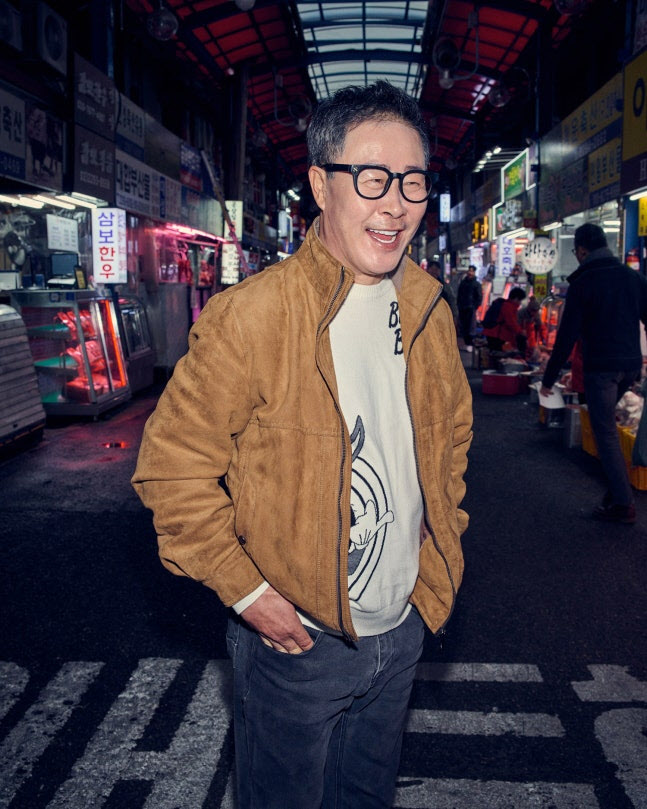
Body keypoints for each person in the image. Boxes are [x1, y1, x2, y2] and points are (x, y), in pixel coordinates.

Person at [132, 80, 473, 809]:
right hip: (297, 641)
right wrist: (250, 593)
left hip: (401, 626)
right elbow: (171, 471)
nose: (395, 203)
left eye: (412, 180)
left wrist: (436, 534)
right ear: (321, 185)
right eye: (372, 177)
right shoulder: (252, 317)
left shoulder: (428, 307)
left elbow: (451, 436)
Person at [541, 222, 647, 524]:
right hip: (630, 366)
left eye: (576, 252)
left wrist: (549, 379)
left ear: (582, 250)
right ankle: (615, 493)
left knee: (606, 433)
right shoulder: (632, 277)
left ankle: (623, 504)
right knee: (607, 426)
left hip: (602, 368)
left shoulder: (583, 282)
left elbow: (567, 335)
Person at [482, 287, 527, 352]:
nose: (520, 303)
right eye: (520, 300)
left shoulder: (507, 305)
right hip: (497, 335)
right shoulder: (508, 307)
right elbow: (511, 323)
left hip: (494, 334)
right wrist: (521, 332)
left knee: (496, 353)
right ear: (516, 298)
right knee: (497, 354)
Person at [456, 264, 482, 351]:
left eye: (472, 271)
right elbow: (459, 295)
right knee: (463, 326)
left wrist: (475, 306)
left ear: (474, 273)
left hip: (471, 308)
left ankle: (470, 344)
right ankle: (465, 343)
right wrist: (458, 304)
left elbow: (479, 297)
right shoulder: (463, 283)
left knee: (470, 327)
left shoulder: (476, 284)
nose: (470, 273)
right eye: (469, 271)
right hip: (462, 307)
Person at [517, 295, 547, 360]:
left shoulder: (536, 314)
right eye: (533, 311)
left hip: (530, 335)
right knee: (521, 350)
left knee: (531, 349)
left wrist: (544, 338)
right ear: (529, 309)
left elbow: (541, 326)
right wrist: (521, 333)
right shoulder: (521, 313)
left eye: (536, 311)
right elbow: (516, 326)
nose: (534, 313)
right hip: (520, 335)